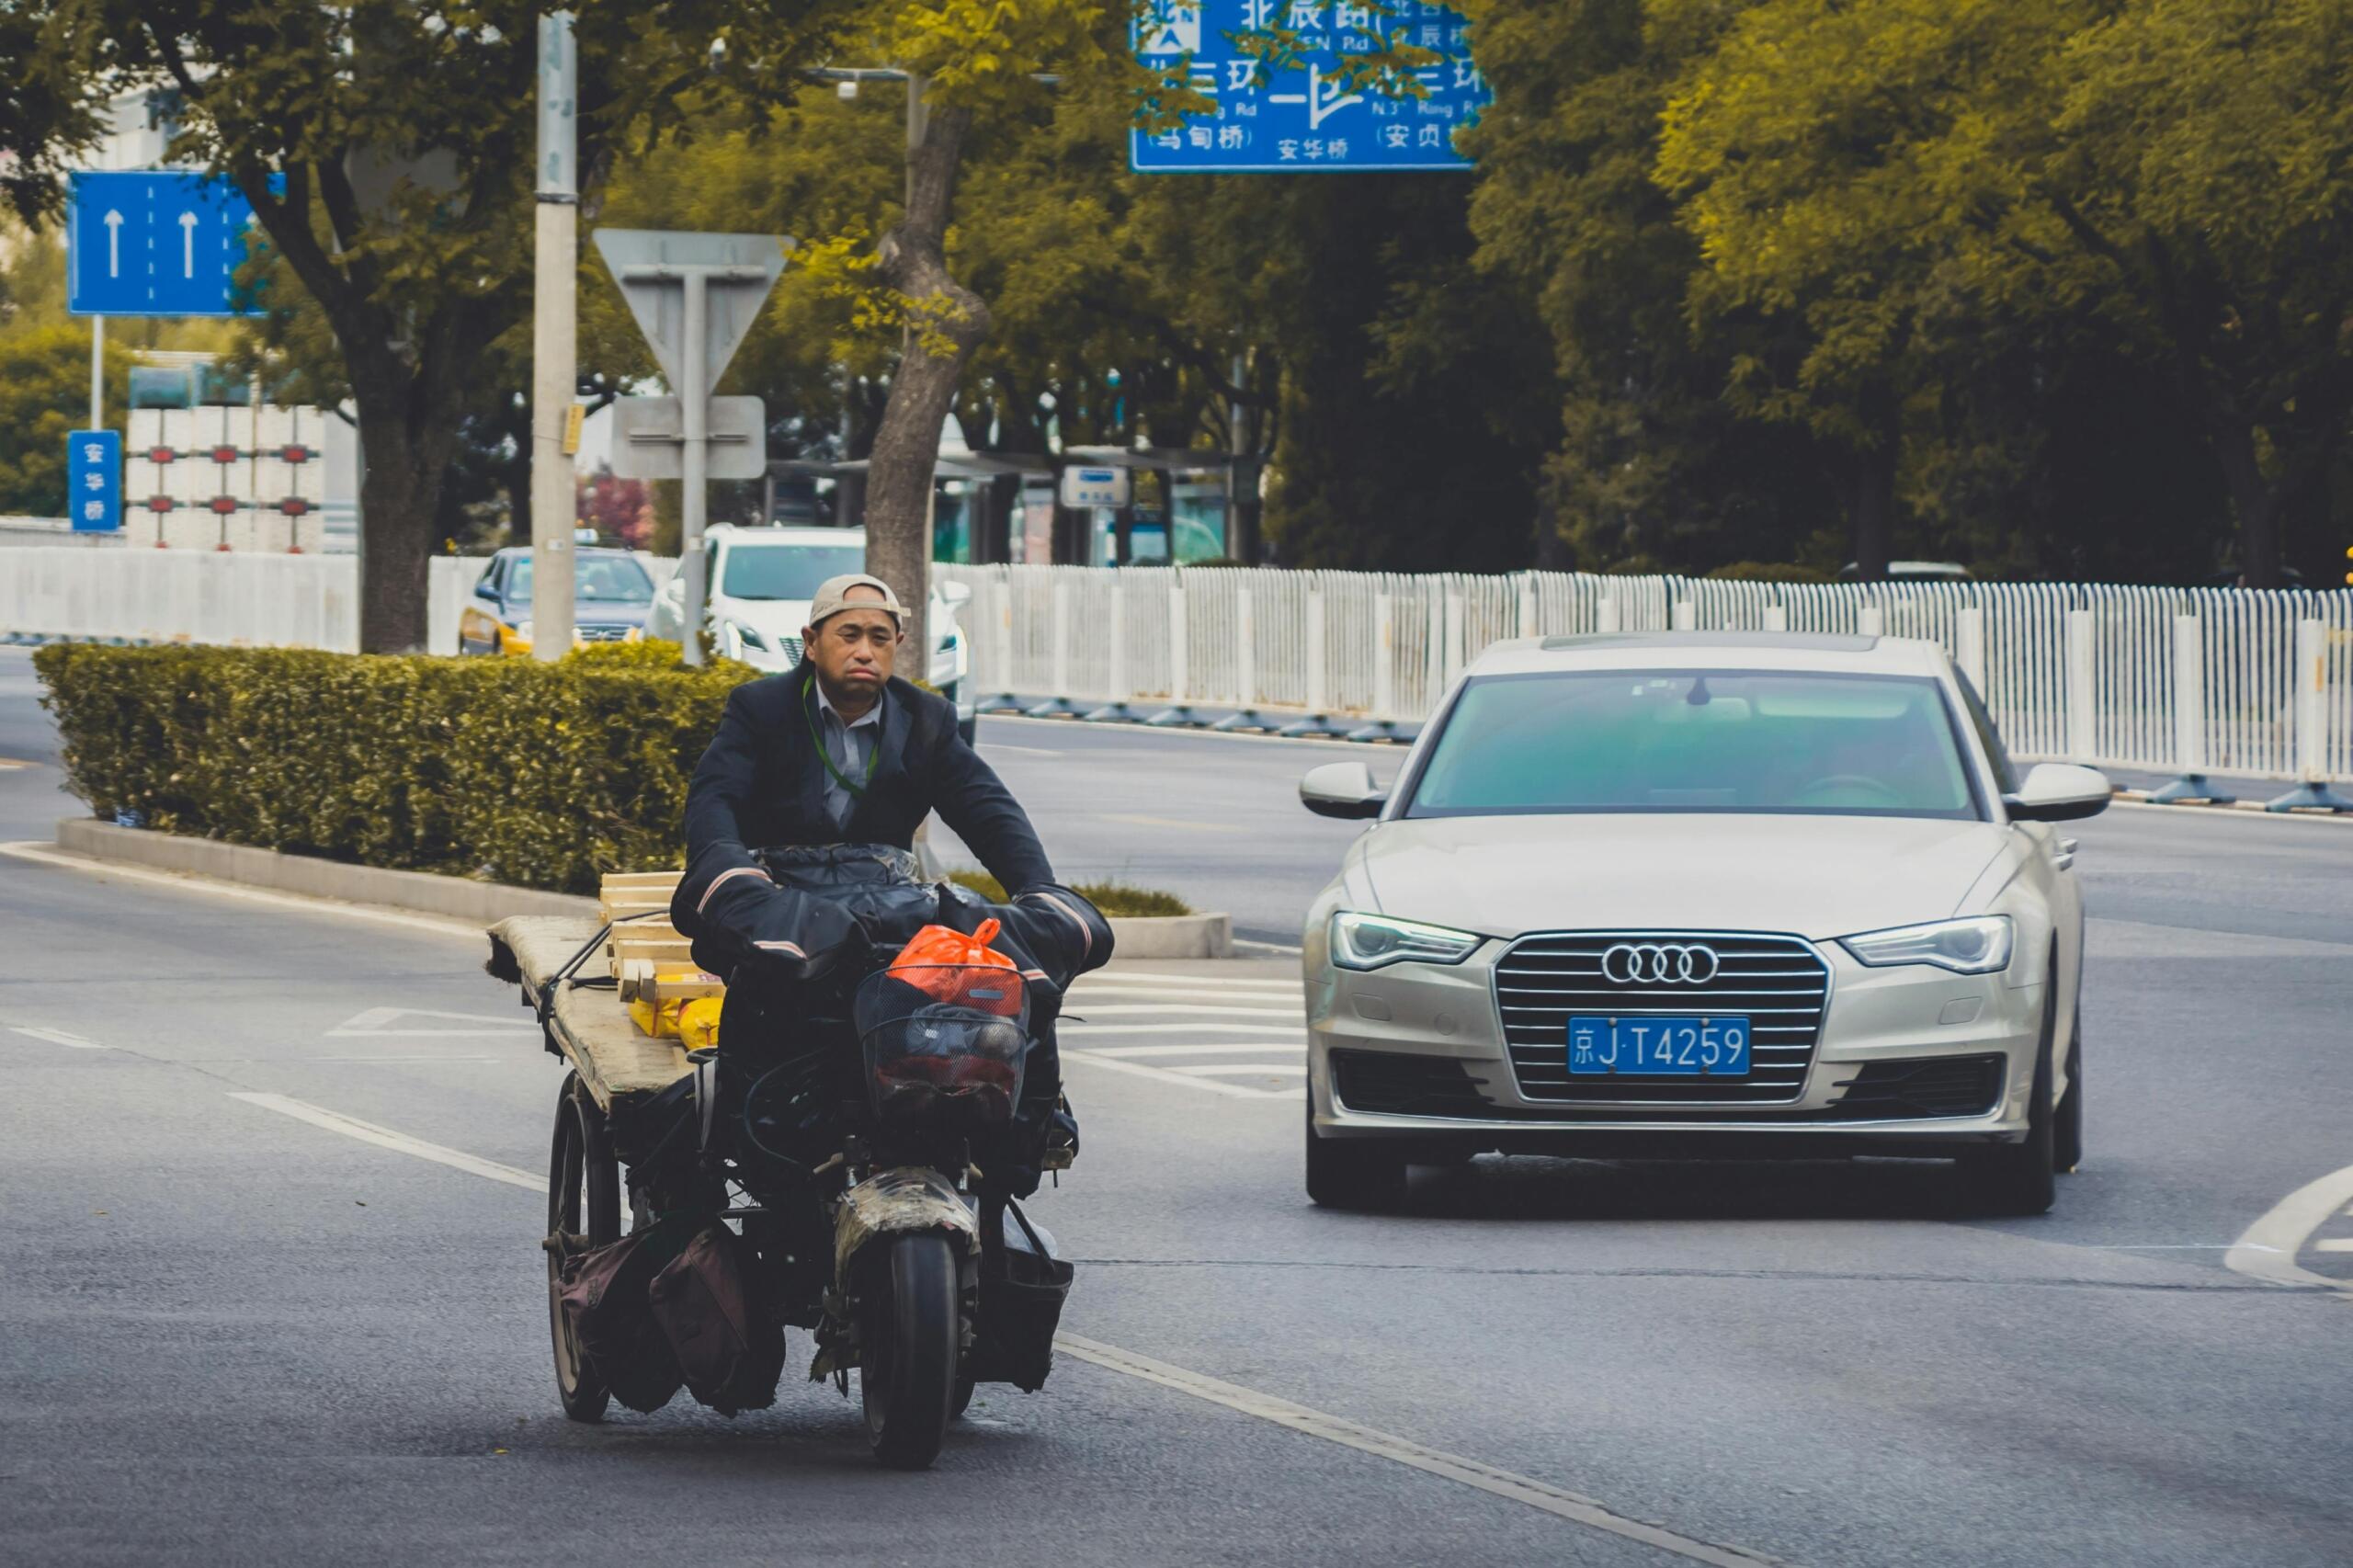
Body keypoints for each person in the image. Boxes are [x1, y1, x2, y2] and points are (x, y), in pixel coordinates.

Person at [670, 573, 1100, 1192]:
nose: (864, 650)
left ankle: (1024, 1131)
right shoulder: (759, 709)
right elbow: (715, 801)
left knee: (1007, 975)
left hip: (891, 900)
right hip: (788, 903)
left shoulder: (927, 717)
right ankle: (761, 1139)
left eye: (879, 636)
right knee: (773, 997)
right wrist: (732, 877)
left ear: (897, 643)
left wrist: (1040, 891)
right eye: (848, 635)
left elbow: (987, 809)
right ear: (811, 643)